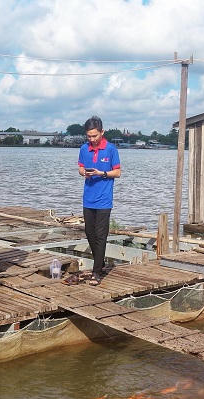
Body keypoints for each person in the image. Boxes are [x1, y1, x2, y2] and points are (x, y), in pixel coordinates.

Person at [77, 116, 121, 286]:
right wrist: (85, 173)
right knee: (89, 232)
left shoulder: (111, 149)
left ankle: (97, 272)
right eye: (89, 136)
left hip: (104, 199)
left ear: (102, 132)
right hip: (88, 198)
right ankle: (100, 262)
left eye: (95, 136)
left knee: (101, 235)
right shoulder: (83, 148)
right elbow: (80, 168)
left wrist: (101, 173)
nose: (92, 139)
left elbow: (117, 173)